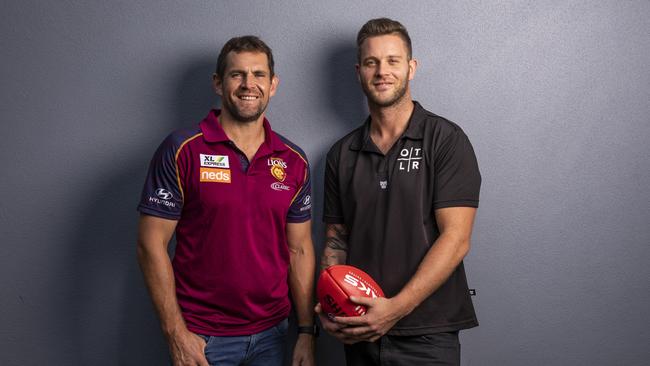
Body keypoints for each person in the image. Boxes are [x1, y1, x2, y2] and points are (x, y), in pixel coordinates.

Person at [137, 35, 316, 366]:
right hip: (203, 339)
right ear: (219, 83)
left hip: (273, 335)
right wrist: (176, 334)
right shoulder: (183, 149)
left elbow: (300, 250)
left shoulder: (293, 161)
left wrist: (306, 331)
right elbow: (150, 245)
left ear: (273, 84)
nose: (249, 84)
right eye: (237, 74)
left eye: (259, 75)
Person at [316, 18, 481, 365]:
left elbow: (456, 239)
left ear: (411, 67)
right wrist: (330, 304)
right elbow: (336, 239)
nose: (382, 72)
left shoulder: (445, 140)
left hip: (428, 335)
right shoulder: (341, 154)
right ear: (359, 71)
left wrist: (394, 310)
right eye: (372, 62)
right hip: (360, 330)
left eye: (393, 61)